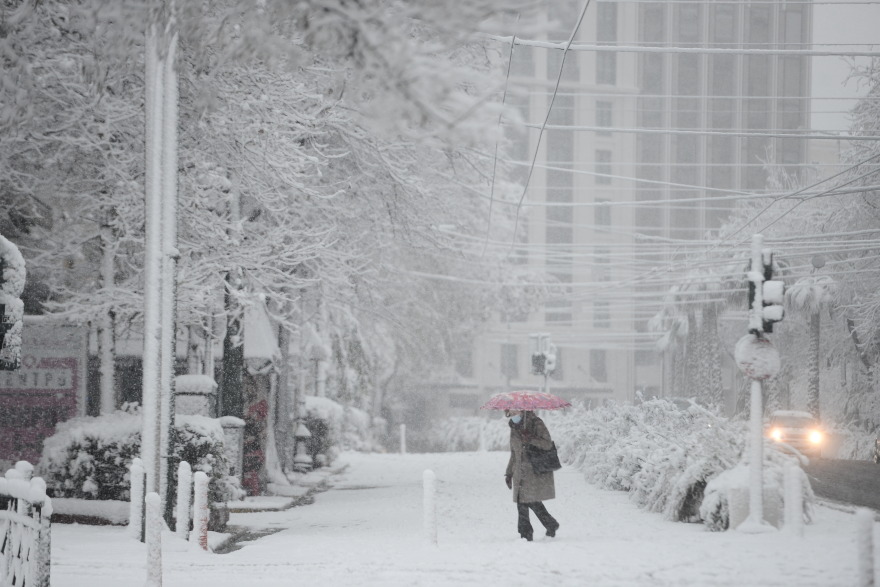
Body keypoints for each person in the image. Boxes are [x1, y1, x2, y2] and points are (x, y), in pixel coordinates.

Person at [504, 409, 559, 541]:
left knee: (526, 501)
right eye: (509, 413)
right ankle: (548, 525)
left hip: (533, 470)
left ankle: (526, 534)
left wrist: (531, 438)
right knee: (526, 501)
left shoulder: (536, 423)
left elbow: (547, 443)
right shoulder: (514, 427)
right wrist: (509, 473)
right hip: (519, 471)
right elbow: (514, 453)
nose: (512, 415)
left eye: (513, 411)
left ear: (521, 410)